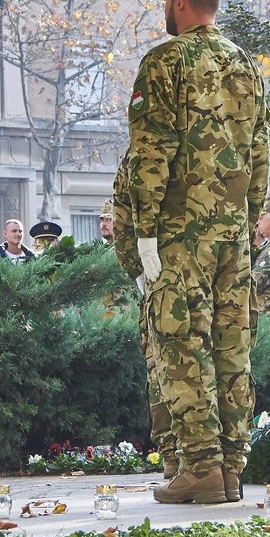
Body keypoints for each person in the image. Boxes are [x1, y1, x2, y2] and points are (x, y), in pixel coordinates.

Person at [127, 0, 270, 504]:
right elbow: (260, 155)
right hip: (233, 236)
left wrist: (143, 235)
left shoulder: (164, 63)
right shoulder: (246, 66)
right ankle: (231, 470)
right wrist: (248, 223)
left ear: (179, 0)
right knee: (233, 348)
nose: (167, 8)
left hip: (180, 236)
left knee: (182, 345)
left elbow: (151, 155)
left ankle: (201, 467)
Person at [111, 159, 178, 479]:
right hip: (190, 278)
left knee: (164, 367)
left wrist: (139, 273)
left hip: (164, 279)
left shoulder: (141, 155)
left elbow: (122, 223)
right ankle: (192, 459)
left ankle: (180, 459)